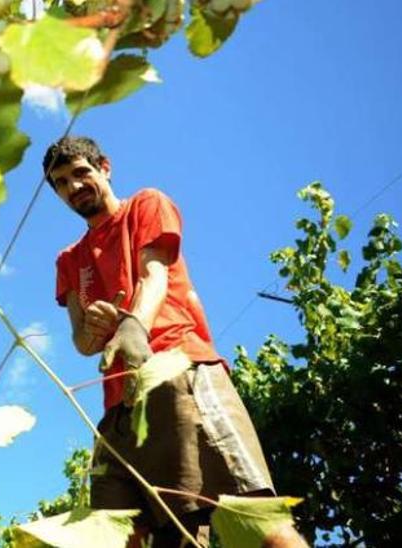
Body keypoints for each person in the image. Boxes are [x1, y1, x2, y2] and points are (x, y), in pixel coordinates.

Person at [46, 136, 305, 546]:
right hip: (119, 409)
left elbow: (154, 276)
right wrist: (96, 329)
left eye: (81, 173)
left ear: (104, 167)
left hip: (180, 371)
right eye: (61, 183)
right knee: (130, 538)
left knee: (255, 520)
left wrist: (133, 326)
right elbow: (82, 341)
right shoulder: (68, 260)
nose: (73, 187)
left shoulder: (145, 205)